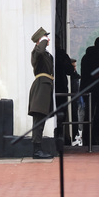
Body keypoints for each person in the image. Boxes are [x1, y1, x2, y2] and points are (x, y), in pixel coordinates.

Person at [28, 27, 54, 159]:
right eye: (45, 37)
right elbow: (40, 51)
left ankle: (38, 149)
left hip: (46, 87)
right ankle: (37, 150)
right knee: (38, 120)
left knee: (41, 120)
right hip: (41, 87)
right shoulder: (37, 52)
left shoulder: (45, 54)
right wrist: (42, 40)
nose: (48, 39)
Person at [54, 36, 80, 145]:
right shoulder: (62, 55)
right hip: (61, 86)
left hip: (51, 86)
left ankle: (57, 137)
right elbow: (69, 71)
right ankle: (61, 137)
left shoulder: (48, 54)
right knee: (62, 114)